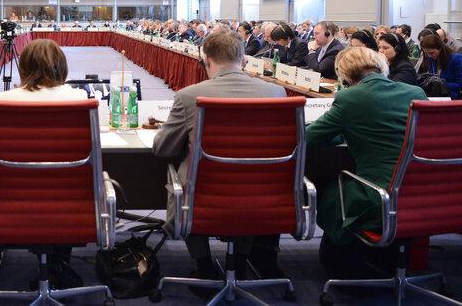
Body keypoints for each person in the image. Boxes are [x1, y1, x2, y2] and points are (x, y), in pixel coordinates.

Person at [152, 30, 288, 289]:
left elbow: (162, 149)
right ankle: (240, 264)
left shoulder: (189, 96)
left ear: (207, 60)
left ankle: (203, 266)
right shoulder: (276, 92)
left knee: (188, 176)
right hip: (261, 194)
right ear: (244, 60)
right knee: (247, 175)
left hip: (203, 196)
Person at [306, 47, 426, 274]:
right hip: (421, 194)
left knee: (325, 185)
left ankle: (344, 263)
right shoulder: (416, 93)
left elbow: (309, 139)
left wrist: (339, 132)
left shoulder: (349, 97)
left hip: (377, 195)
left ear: (344, 75)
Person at [0, 39, 87, 287]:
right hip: (71, 195)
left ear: (23, 67)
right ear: (62, 67)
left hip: (16, 195)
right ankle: (59, 263)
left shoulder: (4, 99)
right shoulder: (79, 97)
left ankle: (52, 263)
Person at [417, 33, 462, 99]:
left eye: (432, 53)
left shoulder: (457, 59)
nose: (429, 56)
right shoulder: (431, 58)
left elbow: (460, 84)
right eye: (426, 53)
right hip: (437, 94)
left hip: (453, 96)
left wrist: (442, 84)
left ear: (440, 48)